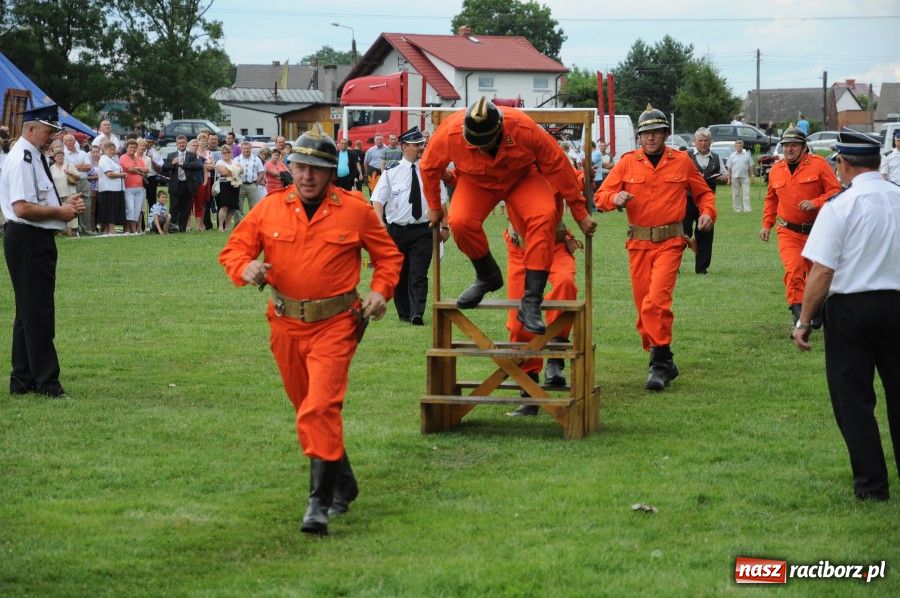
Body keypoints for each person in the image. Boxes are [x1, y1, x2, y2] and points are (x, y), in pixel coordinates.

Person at [219, 128, 403, 536]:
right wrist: (245, 268)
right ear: (290, 168)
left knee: (320, 406)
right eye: (300, 167)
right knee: (308, 406)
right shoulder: (269, 208)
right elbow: (234, 249)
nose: (307, 176)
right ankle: (344, 481)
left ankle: (318, 504)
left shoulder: (355, 209)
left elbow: (388, 256)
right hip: (285, 323)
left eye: (316, 169)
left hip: (337, 324)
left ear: (329, 173)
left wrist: (379, 290)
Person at [420, 97, 597, 334]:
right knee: (459, 221)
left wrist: (580, 212)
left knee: (544, 215)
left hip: (521, 178)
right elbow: (429, 166)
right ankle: (487, 276)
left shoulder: (523, 127)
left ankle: (531, 302)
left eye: (486, 141)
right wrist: (433, 206)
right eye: (476, 142)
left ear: (500, 128)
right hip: (477, 182)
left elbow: (558, 165)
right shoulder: (450, 132)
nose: (481, 147)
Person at [792, 128, 900, 502]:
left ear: (843, 163)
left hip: (852, 308)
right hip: (897, 303)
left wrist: (804, 321)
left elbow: (822, 271)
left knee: (853, 399)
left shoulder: (841, 205)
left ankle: (872, 485)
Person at [595, 105, 717, 391]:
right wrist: (615, 198)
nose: (650, 138)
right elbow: (600, 196)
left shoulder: (682, 161)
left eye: (656, 133)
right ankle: (665, 357)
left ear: (665, 134)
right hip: (638, 244)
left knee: (656, 302)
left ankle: (658, 366)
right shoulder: (626, 163)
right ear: (639, 137)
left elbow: (704, 193)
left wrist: (708, 212)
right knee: (643, 310)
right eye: (645, 133)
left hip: (671, 242)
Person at [1, 104, 85, 398]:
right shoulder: (24, 157)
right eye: (49, 132)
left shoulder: (33, 155)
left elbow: (35, 200)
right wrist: (61, 213)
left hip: (31, 238)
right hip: (28, 237)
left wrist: (65, 207)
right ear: (32, 128)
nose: (53, 138)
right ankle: (47, 382)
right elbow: (22, 207)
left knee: (28, 311)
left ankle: (22, 379)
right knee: (38, 312)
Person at [760, 127, 841, 326]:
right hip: (788, 231)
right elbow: (771, 199)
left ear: (804, 147)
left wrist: (816, 202)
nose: (789, 149)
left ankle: (818, 312)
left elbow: (836, 192)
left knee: (818, 273)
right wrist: (766, 224)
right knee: (794, 270)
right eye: (786, 145)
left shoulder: (819, 165)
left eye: (794, 145)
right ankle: (799, 316)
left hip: (818, 230)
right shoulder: (777, 170)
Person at [370, 126, 448, 325]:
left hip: (423, 229)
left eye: (421, 144)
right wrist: (379, 221)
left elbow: (442, 200)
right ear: (404, 146)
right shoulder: (391, 173)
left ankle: (417, 313)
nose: (421, 148)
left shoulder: (430, 172)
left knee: (418, 274)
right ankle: (404, 312)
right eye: (416, 145)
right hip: (397, 231)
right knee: (400, 274)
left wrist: (445, 226)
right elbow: (378, 200)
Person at [505, 218, 580, 417]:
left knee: (565, 283)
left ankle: (556, 356)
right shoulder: (505, 184)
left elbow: (576, 195)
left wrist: (584, 216)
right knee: (517, 323)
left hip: (554, 246)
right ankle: (529, 391)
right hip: (521, 248)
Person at [683, 127, 728, 275]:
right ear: (694, 142)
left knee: (705, 235)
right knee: (682, 233)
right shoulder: (685, 156)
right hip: (687, 201)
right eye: (700, 140)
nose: (703, 143)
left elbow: (726, 177)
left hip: (707, 202)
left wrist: (718, 177)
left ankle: (702, 269)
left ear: (711, 142)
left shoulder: (716, 157)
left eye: (706, 141)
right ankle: (673, 265)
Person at [162, 135, 203, 233]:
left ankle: (182, 228)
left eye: (183, 143)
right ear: (177, 144)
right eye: (180, 143)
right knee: (174, 208)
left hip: (187, 185)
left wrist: (182, 164)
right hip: (175, 185)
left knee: (186, 208)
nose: (182, 144)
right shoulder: (171, 155)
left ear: (186, 143)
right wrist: (172, 163)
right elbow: (164, 168)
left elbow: (198, 165)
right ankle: (172, 228)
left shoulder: (192, 155)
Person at [62, 134, 92, 234]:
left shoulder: (83, 153)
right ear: (64, 143)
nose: (70, 142)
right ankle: (74, 229)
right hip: (71, 182)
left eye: (71, 140)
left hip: (83, 181)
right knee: (73, 204)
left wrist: (73, 167)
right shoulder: (63, 154)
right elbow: (65, 169)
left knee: (86, 204)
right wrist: (79, 166)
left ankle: (86, 229)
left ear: (75, 141)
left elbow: (88, 167)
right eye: (67, 141)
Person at [48, 148, 81, 237]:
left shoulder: (69, 165)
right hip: (58, 193)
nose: (60, 157)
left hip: (70, 191)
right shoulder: (51, 168)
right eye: (58, 156)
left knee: (72, 209)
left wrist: (69, 172)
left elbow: (78, 176)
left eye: (61, 156)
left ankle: (72, 230)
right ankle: (60, 230)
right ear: (54, 158)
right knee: (59, 211)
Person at [119, 139, 148, 234]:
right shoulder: (123, 157)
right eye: (131, 147)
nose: (133, 149)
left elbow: (147, 170)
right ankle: (130, 229)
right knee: (130, 208)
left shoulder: (139, 159)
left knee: (137, 209)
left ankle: (134, 229)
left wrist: (138, 169)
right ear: (127, 148)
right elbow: (130, 169)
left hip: (139, 187)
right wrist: (141, 172)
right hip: (128, 187)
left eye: (135, 147)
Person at [97, 141, 126, 235]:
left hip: (115, 188)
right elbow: (109, 173)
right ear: (104, 150)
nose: (112, 151)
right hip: (108, 188)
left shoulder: (112, 159)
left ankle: (108, 230)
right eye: (110, 149)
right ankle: (111, 230)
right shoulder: (104, 159)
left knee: (112, 209)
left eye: (113, 149)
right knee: (110, 210)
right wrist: (122, 175)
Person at [233, 141, 264, 222]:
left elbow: (261, 172)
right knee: (238, 206)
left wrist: (256, 183)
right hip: (240, 185)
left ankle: (253, 223)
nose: (246, 150)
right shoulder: (236, 160)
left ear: (251, 149)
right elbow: (232, 172)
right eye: (244, 148)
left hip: (252, 185)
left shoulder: (256, 159)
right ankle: (238, 223)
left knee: (254, 206)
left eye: (248, 148)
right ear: (241, 149)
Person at [214, 148, 242, 231]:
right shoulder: (219, 162)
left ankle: (227, 226)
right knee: (224, 206)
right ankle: (220, 227)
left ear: (231, 153)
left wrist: (230, 170)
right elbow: (223, 173)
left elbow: (242, 170)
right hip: (223, 185)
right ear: (221, 153)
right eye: (224, 152)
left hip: (234, 186)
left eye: (228, 152)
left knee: (231, 207)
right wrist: (235, 171)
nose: (226, 153)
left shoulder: (235, 161)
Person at [727, 139, 754, 212]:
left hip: (745, 177)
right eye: (737, 146)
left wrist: (752, 176)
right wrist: (729, 179)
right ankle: (737, 209)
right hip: (734, 177)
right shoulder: (732, 156)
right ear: (735, 147)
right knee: (736, 194)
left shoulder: (747, 155)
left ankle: (747, 209)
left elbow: (751, 166)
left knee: (746, 194)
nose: (739, 147)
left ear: (742, 146)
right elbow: (729, 168)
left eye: (740, 146)